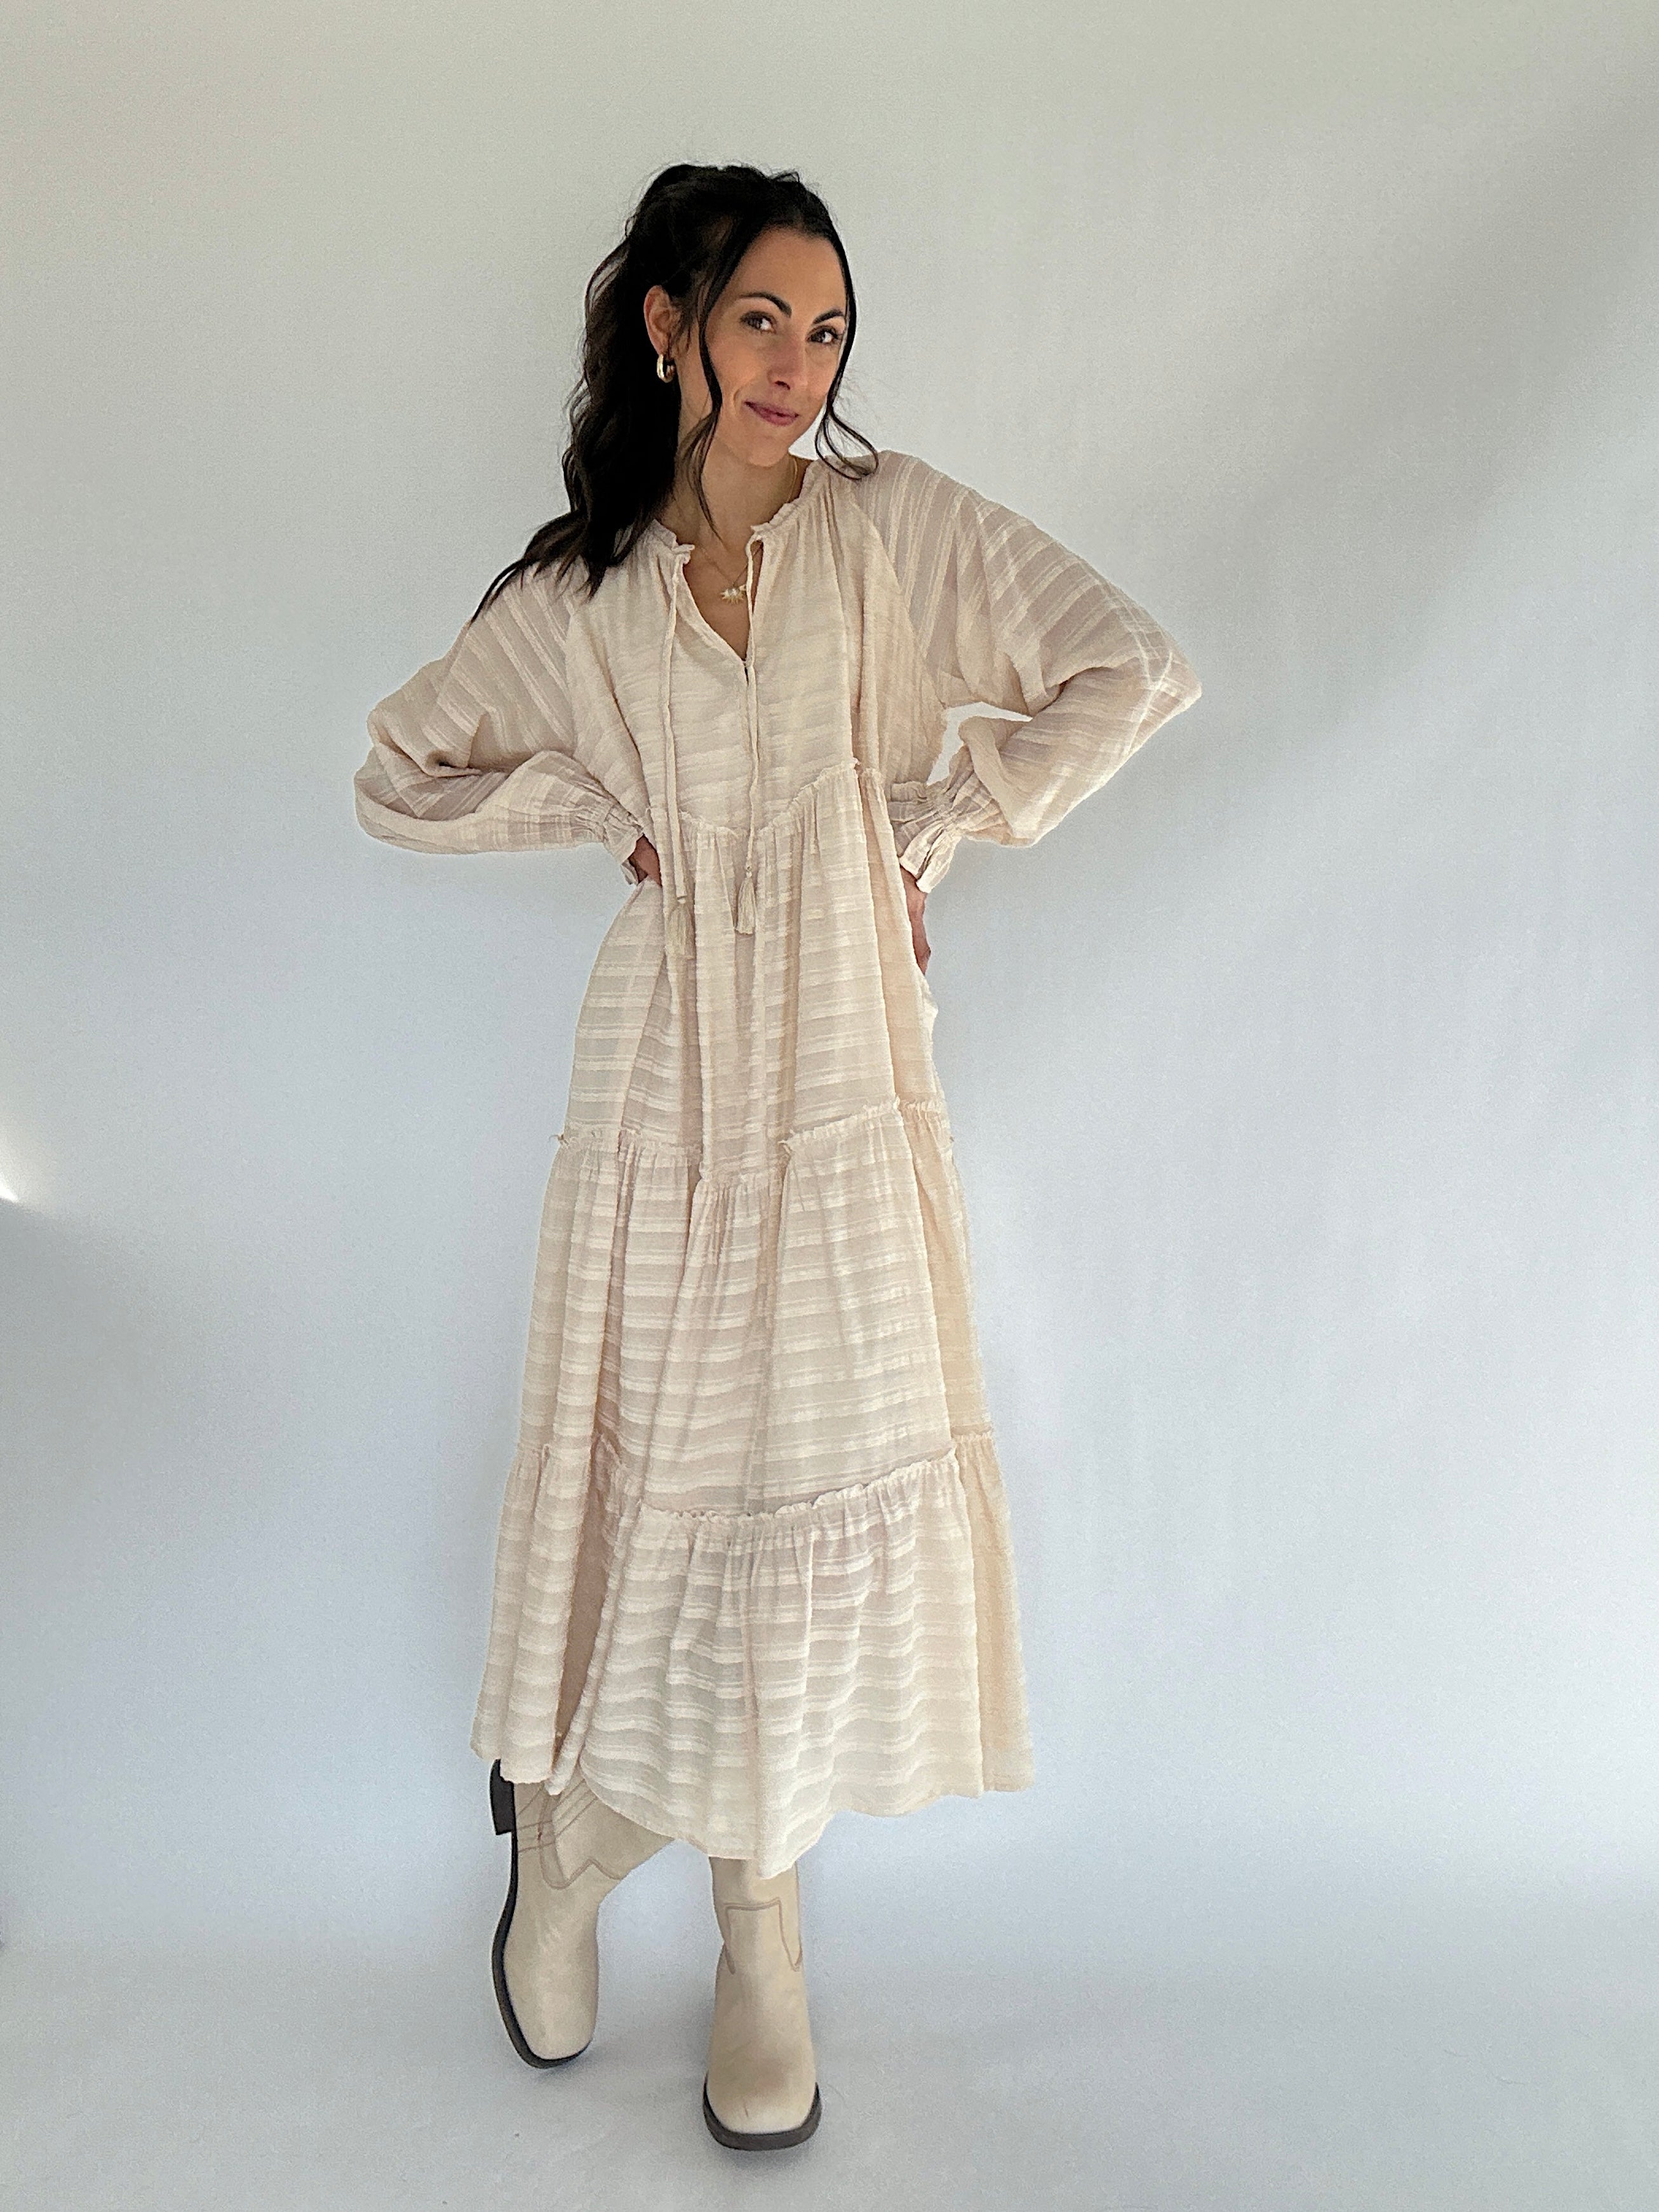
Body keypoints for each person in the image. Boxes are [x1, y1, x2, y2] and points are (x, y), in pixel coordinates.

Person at [354, 159, 1201, 2152]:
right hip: (659, 1097)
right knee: (679, 1508)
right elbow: (400, 766)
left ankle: (736, 1918)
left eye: (825, 332)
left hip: (836, 1094)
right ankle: (579, 1865)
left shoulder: (892, 538)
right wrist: (585, 798)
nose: (796, 367)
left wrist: (935, 821)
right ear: (669, 323)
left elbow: (1125, 662)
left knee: (797, 1507)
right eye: (760, 321)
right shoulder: (576, 600)